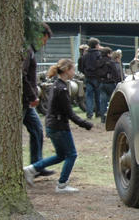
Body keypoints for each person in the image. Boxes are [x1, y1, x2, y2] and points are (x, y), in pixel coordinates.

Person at [23, 59, 93, 192]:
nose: (74, 72)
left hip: (53, 125)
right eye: (73, 69)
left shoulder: (57, 85)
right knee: (71, 154)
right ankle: (62, 184)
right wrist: (85, 124)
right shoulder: (62, 88)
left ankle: (31, 169)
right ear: (67, 70)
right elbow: (70, 113)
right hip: (59, 126)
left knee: (61, 155)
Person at [22, 23, 54, 177]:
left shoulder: (31, 52)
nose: (44, 43)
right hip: (23, 102)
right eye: (44, 39)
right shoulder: (27, 51)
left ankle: (36, 166)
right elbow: (22, 75)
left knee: (37, 130)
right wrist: (32, 96)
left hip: (27, 103)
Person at [79, 38, 105, 120]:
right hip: (97, 78)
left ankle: (89, 114)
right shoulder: (99, 55)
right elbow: (101, 66)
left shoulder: (85, 55)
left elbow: (81, 67)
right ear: (96, 45)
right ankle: (98, 113)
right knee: (98, 96)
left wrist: (85, 73)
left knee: (89, 96)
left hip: (88, 77)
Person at [98, 49, 123, 122]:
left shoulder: (99, 62)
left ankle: (103, 118)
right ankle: (111, 118)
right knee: (112, 101)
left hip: (102, 82)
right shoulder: (112, 63)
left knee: (103, 101)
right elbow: (116, 73)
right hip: (110, 83)